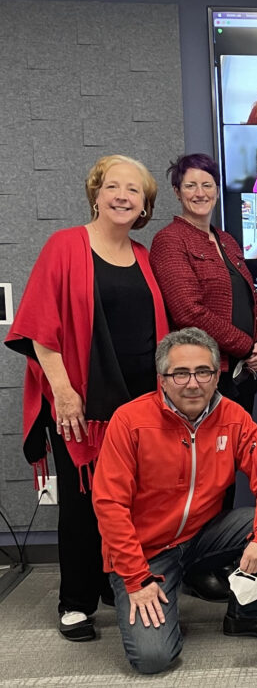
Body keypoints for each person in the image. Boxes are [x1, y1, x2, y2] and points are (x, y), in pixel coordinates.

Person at [5, 155, 168, 642]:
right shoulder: (64, 246)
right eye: (113, 187)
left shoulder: (142, 256)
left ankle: (109, 582)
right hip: (81, 403)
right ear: (95, 195)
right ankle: (75, 601)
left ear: (144, 205)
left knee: (130, 499)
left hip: (140, 400)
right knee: (83, 502)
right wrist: (64, 393)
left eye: (134, 190)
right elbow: (38, 327)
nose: (122, 196)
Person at [92, 328, 257, 674]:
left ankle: (247, 616)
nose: (193, 383)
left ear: (217, 375)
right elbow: (109, 505)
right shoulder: (129, 421)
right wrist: (136, 580)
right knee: (153, 658)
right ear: (162, 378)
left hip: (200, 537)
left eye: (203, 372)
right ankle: (163, 594)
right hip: (146, 555)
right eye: (180, 373)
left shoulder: (233, 417)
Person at [150, 153, 257, 415]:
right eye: (190, 186)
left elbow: (253, 299)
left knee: (238, 451)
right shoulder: (169, 240)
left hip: (243, 373)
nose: (200, 193)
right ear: (177, 192)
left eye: (207, 185)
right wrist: (246, 345)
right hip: (204, 376)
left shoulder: (227, 240)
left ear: (217, 190)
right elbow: (187, 312)